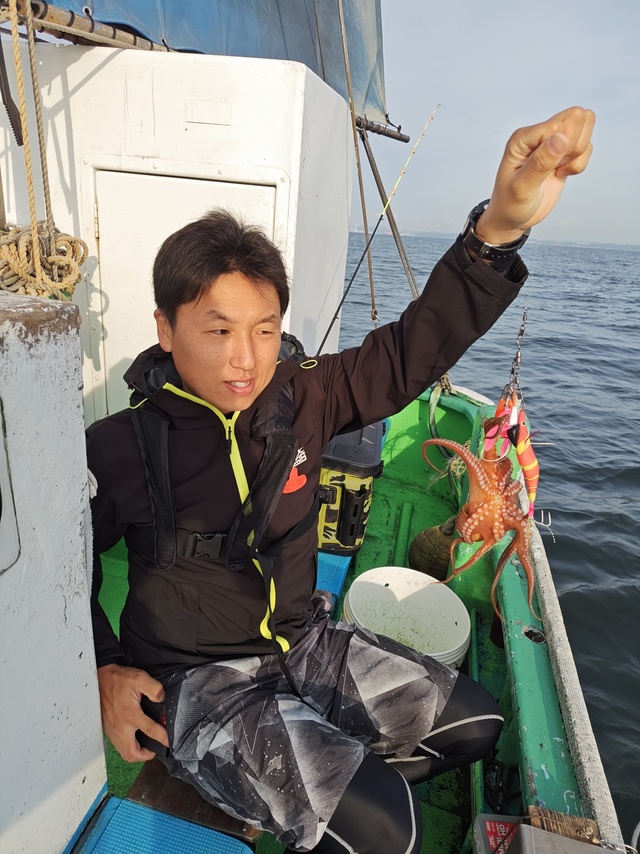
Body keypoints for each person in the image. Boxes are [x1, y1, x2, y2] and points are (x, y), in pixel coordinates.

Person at [87, 106, 595, 852]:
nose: (246, 359)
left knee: (476, 723)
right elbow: (54, 571)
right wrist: (102, 668)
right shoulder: (119, 446)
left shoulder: (305, 395)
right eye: (218, 330)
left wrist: (497, 233)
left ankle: (318, 776)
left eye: (264, 329)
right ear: (166, 329)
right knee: (390, 828)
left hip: (304, 644)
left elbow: (408, 352)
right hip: (201, 686)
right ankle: (287, 785)